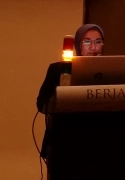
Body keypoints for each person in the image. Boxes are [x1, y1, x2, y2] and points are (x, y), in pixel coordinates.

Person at [36, 23, 105, 159]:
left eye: (98, 42)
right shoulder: (59, 69)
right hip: (63, 140)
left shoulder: (109, 72)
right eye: (87, 42)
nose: (93, 47)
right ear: (78, 45)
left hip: (97, 142)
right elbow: (42, 104)